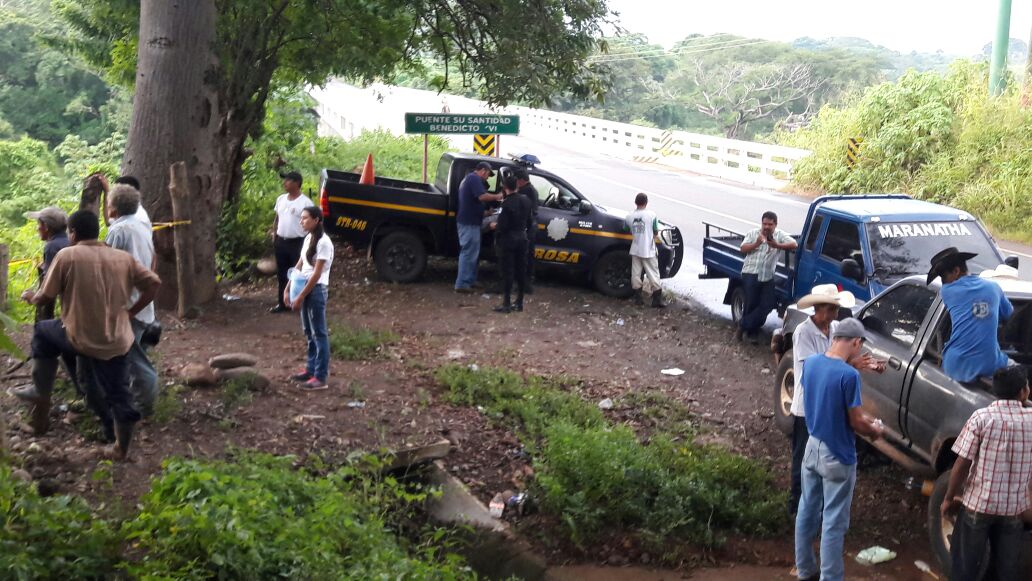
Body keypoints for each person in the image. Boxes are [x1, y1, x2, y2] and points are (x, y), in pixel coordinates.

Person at [15, 210, 160, 460]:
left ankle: (41, 394)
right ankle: (120, 448)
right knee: (118, 393)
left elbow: (45, 297)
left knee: (42, 331)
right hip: (115, 339)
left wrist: (30, 297)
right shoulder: (122, 258)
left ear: (72, 233)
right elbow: (154, 283)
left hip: (78, 336)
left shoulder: (67, 255)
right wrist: (131, 312)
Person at [794, 318, 884, 581]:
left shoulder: (810, 364)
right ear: (856, 342)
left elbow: (826, 403)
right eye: (859, 346)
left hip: (812, 446)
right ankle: (830, 577)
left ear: (835, 339)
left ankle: (805, 570)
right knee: (833, 521)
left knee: (807, 510)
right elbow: (855, 421)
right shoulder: (849, 375)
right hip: (838, 454)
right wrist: (875, 430)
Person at [787, 285, 885, 515]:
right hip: (807, 404)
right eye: (830, 310)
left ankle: (812, 507)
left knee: (819, 457)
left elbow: (841, 358)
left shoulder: (834, 329)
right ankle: (796, 505)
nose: (833, 315)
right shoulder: (803, 332)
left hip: (824, 403)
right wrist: (853, 365)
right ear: (818, 308)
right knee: (803, 456)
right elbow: (821, 369)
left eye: (835, 310)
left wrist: (867, 364)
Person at [941, 365, 1032, 581]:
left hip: (979, 505)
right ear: (1023, 391)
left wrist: (948, 497)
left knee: (965, 566)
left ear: (995, 391)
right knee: (1005, 568)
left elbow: (962, 463)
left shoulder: (981, 418)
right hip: (1013, 510)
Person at [105, 184, 160, 417]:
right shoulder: (141, 226)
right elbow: (153, 258)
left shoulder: (119, 231)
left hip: (128, 303)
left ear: (113, 209)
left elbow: (107, 265)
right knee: (133, 354)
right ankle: (137, 401)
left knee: (134, 358)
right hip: (142, 301)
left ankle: (142, 406)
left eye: (108, 204)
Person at [927, 247, 1013, 383]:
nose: (943, 282)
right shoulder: (994, 288)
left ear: (956, 271)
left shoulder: (947, 291)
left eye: (943, 277)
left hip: (955, 365)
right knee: (1020, 373)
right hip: (989, 364)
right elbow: (1008, 314)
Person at [285, 206, 334, 390]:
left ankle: (320, 376)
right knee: (309, 332)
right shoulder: (308, 238)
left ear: (316, 220)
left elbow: (316, 274)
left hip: (315, 290)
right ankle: (311, 369)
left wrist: (301, 296)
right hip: (303, 287)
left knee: (319, 333)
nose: (301, 221)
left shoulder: (324, 242)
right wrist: (288, 288)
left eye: (305, 218)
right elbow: (300, 264)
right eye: (301, 218)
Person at [738, 211, 797, 343]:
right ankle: (751, 333)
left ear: (775, 224)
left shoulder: (779, 235)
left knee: (768, 305)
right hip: (751, 273)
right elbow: (742, 248)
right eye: (764, 224)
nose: (766, 227)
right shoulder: (754, 233)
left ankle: (743, 325)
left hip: (767, 275)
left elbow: (794, 244)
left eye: (770, 224)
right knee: (751, 303)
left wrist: (777, 245)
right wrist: (757, 243)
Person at [455, 162, 502, 293]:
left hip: (472, 221)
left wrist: (487, 213)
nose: (487, 178)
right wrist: (498, 196)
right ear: (483, 171)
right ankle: (462, 284)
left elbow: (471, 202)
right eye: (488, 174)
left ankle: (469, 280)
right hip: (469, 223)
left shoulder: (469, 179)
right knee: (468, 252)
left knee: (473, 253)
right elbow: (481, 196)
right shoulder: (474, 178)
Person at [270, 171, 313, 313]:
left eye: (288, 180)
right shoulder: (281, 199)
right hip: (281, 241)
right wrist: (274, 232)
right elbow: (277, 217)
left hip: (298, 242)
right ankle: (283, 303)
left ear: (296, 183)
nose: (285, 183)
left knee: (299, 274)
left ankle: (299, 303)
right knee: (282, 274)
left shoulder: (305, 202)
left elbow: (312, 223)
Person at [490, 174, 532, 313]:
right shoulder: (526, 201)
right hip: (522, 238)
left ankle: (506, 303)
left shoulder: (506, 203)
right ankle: (519, 302)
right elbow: (530, 222)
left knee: (507, 271)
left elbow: (502, 225)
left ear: (505, 188)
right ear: (517, 186)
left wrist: (494, 226)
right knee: (521, 271)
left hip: (508, 240)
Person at [23, 206, 69, 322]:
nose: (37, 228)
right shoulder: (69, 242)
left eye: (39, 224)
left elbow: (50, 284)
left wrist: (33, 297)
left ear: (46, 227)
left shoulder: (51, 247)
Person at [624, 193, 665, 308]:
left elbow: (625, 228)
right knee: (653, 273)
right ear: (646, 202)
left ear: (635, 202)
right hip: (648, 249)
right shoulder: (652, 215)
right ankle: (656, 299)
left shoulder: (629, 216)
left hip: (635, 249)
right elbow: (656, 231)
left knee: (636, 274)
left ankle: (638, 298)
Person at [513, 167, 538, 293]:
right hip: (529, 227)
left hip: (527, 228)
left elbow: (527, 210)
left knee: (525, 257)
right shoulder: (530, 190)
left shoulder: (526, 191)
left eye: (516, 180)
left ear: (522, 180)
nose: (515, 183)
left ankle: (525, 285)